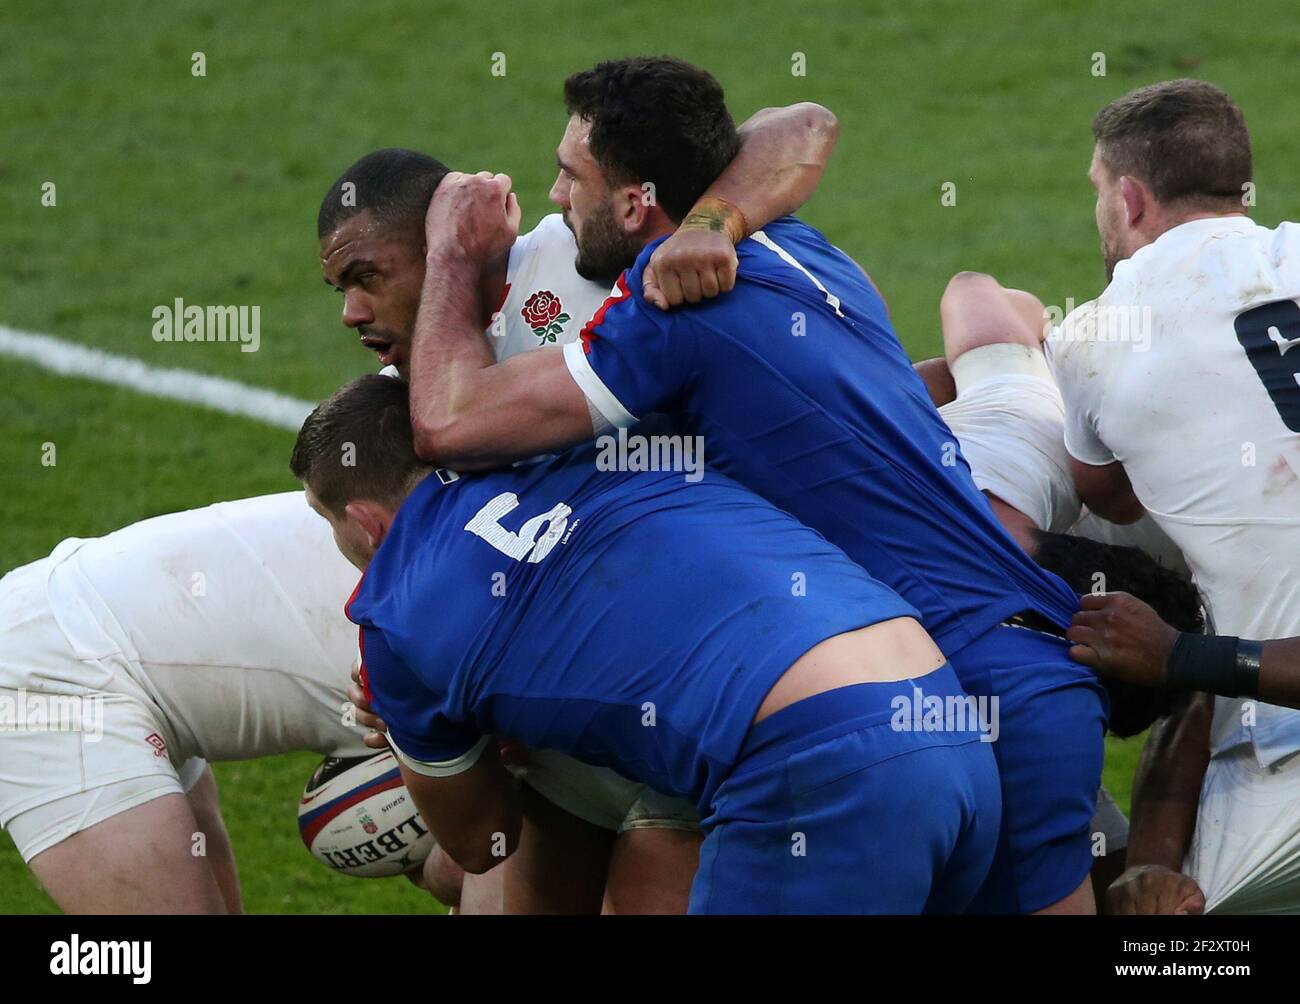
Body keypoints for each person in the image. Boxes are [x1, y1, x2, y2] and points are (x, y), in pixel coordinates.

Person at [401, 56, 1106, 914]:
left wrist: (450, 255)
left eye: (569, 175)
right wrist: (711, 218)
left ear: (633, 203)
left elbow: (448, 421)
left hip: (937, 691)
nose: (554, 196)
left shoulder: (671, 311)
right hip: (1019, 671)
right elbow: (803, 119)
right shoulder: (798, 244)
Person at [315, 112, 838, 913]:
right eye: (341, 288)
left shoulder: (585, 263)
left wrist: (709, 225)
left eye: (366, 275)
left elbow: (797, 123)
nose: (351, 312)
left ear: (442, 237)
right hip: (569, 738)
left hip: (702, 700)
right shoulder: (416, 397)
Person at [293, 373, 1002, 914]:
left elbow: (483, 845)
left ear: (366, 522)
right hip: (950, 722)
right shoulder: (594, 440)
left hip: (818, 770)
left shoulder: (391, 616)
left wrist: (439, 751)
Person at [1049, 78, 1300, 914]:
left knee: (1165, 951)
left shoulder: (1089, 336)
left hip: (1281, 757)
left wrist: (1180, 658)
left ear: (1128, 197)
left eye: (1097, 194)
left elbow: (1110, 500)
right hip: (1257, 697)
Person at [0, 492, 397, 913]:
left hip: (100, 616)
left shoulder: (440, 524)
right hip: (45, 676)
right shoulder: (452, 641)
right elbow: (464, 860)